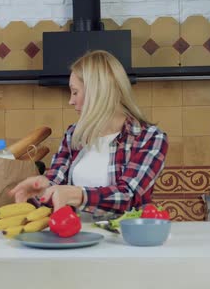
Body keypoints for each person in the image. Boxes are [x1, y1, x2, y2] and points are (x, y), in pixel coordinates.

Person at [9, 50, 168, 221]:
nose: (71, 101)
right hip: (75, 236)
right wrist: (42, 188)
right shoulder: (74, 135)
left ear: (98, 92)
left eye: (75, 92)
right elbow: (56, 181)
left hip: (125, 241)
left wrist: (78, 194)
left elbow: (129, 195)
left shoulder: (149, 138)